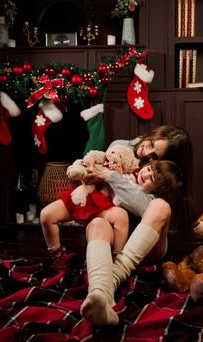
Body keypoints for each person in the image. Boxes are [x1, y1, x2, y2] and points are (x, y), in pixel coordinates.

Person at [79, 125, 193, 326]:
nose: (145, 153)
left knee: (159, 205)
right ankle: (98, 295)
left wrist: (110, 176)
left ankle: (112, 279)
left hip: (148, 245)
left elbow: (144, 206)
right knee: (97, 223)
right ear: (149, 136)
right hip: (114, 232)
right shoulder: (120, 147)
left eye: (155, 156)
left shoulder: (166, 174)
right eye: (149, 144)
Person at [39, 158, 185, 272]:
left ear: (157, 190)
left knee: (120, 215)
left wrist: (113, 176)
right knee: (46, 215)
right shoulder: (131, 171)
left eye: (151, 179)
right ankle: (57, 256)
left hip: (105, 209)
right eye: (148, 169)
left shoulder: (149, 198)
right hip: (87, 195)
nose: (145, 175)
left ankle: (117, 260)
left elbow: (131, 201)